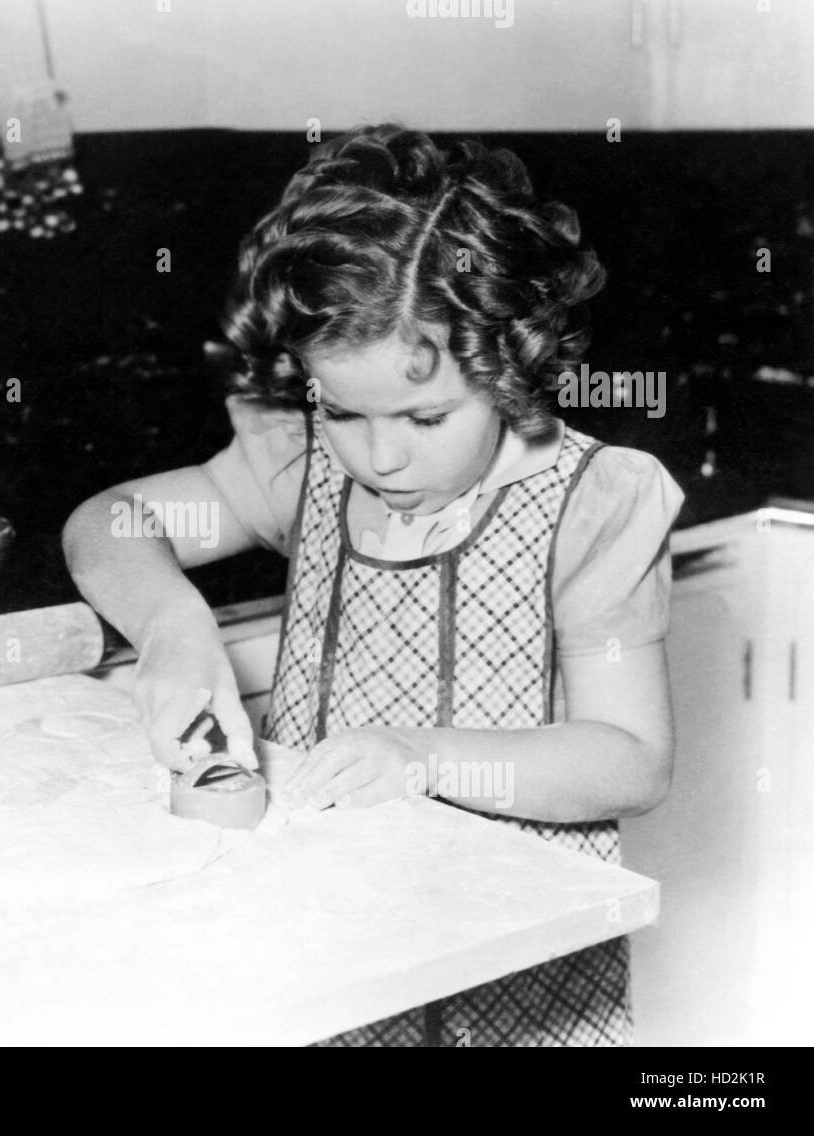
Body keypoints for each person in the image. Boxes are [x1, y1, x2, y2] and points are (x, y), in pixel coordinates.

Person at [61, 125, 684, 1046]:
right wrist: (171, 629)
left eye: (428, 415)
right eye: (344, 410)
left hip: (510, 965)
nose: (381, 455)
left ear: (511, 362)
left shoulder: (593, 505)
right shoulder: (302, 467)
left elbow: (632, 759)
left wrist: (425, 756)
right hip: (331, 948)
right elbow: (109, 524)